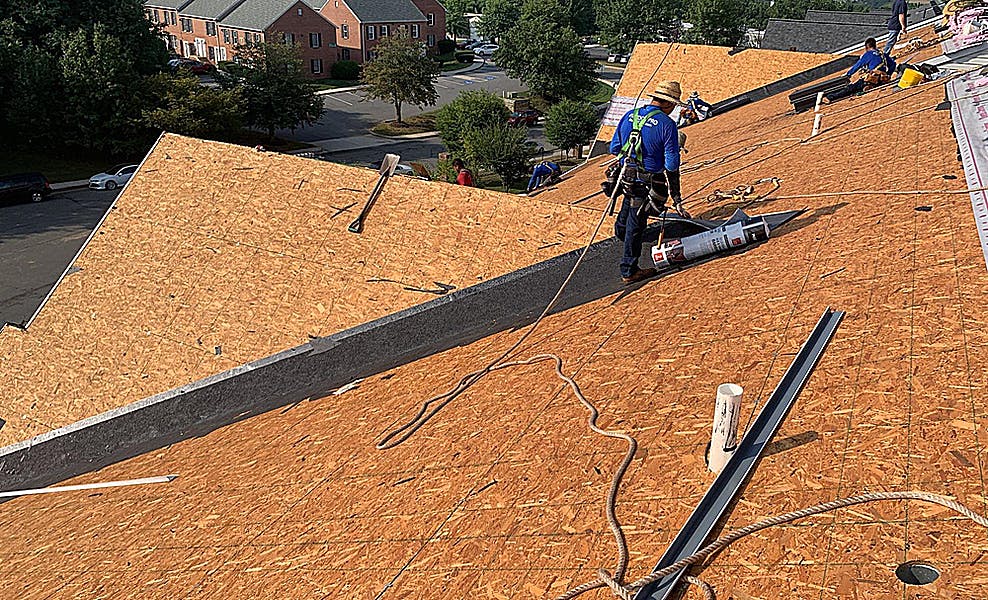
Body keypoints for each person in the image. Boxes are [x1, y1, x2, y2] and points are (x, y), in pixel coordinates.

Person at [603, 80, 684, 284]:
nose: (673, 108)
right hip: (645, 181)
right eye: (673, 104)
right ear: (668, 103)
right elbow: (672, 164)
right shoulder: (667, 125)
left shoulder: (630, 115)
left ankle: (621, 232)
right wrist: (675, 195)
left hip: (625, 177)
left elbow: (614, 148)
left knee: (628, 205)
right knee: (636, 222)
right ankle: (629, 270)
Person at [824, 38, 896, 102]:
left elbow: (857, 65)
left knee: (850, 88)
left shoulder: (868, 55)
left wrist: (848, 74)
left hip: (872, 78)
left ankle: (830, 97)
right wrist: (888, 74)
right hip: (882, 79)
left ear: (866, 47)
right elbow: (893, 65)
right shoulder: (883, 54)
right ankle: (870, 85)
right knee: (860, 86)